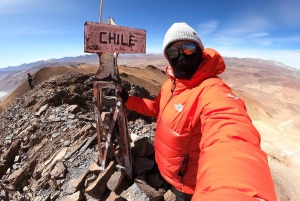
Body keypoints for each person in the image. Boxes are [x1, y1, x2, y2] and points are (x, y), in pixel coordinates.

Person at [118, 22, 277, 200]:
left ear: (200, 51)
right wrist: (128, 100)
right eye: (172, 52)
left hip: (187, 186)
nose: (181, 56)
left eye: (188, 48)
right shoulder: (171, 84)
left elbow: (231, 134)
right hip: (167, 172)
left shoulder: (211, 89)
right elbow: (156, 108)